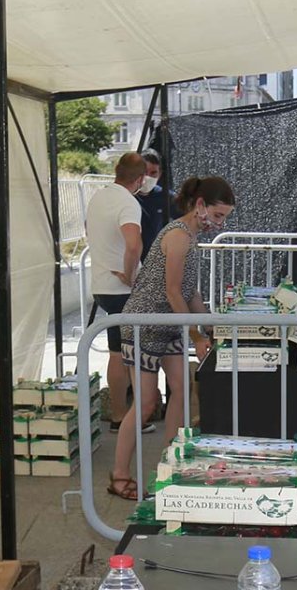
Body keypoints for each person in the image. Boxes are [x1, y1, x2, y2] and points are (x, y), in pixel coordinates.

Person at [108, 177, 232, 500]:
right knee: (146, 404)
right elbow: (173, 291)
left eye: (224, 218)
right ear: (200, 205)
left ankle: (170, 462)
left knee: (181, 389)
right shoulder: (178, 236)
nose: (219, 224)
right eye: (217, 216)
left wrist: (208, 329)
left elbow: (190, 292)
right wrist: (196, 334)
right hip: (144, 326)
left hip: (168, 323)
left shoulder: (190, 236)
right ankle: (119, 475)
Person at [84, 152, 151, 435]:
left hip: (101, 285)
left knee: (116, 352)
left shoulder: (98, 197)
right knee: (133, 355)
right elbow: (134, 245)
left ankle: (119, 414)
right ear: (139, 179)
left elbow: (89, 232)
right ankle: (134, 416)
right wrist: (131, 274)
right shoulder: (128, 202)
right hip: (124, 289)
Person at [134, 149, 175, 260]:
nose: (147, 177)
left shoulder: (165, 197)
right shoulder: (126, 195)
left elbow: (188, 216)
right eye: (144, 172)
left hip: (155, 261)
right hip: (130, 260)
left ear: (160, 174)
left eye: (153, 173)